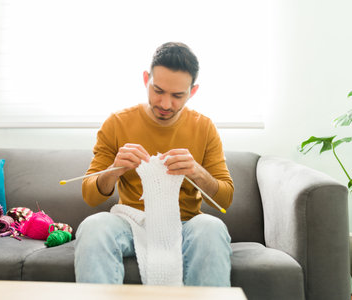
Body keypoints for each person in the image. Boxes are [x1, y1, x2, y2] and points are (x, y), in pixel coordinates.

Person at [74, 42, 234, 286]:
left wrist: (198, 173)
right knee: (94, 226)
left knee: (211, 227)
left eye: (177, 95)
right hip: (131, 222)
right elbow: (90, 195)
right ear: (146, 79)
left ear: (193, 91)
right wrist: (114, 170)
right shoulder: (117, 123)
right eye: (158, 90)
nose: (165, 104)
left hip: (186, 224)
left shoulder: (205, 127)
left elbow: (225, 199)